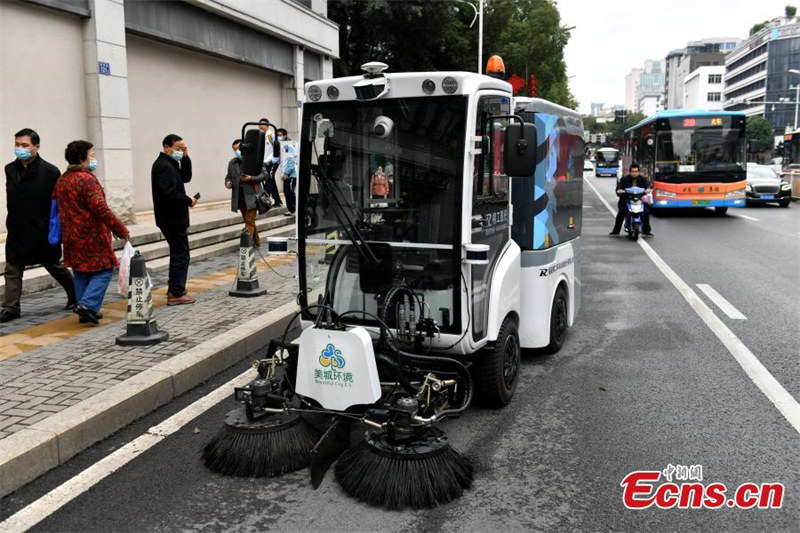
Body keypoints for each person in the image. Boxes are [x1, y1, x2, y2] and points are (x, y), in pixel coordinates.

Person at [1, 128, 76, 323]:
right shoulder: (10, 169)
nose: (20, 148)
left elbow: (58, 203)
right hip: (17, 228)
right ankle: (10, 308)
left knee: (54, 265)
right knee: (12, 268)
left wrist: (55, 227)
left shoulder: (50, 172)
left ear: (36, 147)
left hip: (41, 229)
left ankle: (75, 295)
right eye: (17, 144)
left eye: (24, 145)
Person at [54, 141, 130, 324]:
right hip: (91, 236)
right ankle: (88, 305)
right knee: (105, 269)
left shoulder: (62, 180)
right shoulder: (86, 179)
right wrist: (120, 229)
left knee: (81, 272)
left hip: (71, 236)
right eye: (92, 155)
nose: (94, 158)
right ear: (82, 158)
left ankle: (85, 310)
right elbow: (100, 208)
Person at [151, 134, 196, 305]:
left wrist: (185, 157)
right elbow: (169, 193)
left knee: (179, 253)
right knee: (181, 255)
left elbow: (186, 177)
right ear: (166, 147)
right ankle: (176, 293)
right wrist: (188, 200)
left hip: (173, 218)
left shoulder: (170, 163)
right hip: (171, 218)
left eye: (183, 148)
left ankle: (175, 287)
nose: (180, 151)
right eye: (178, 148)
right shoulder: (163, 166)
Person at [225, 139, 269, 245]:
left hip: (252, 196)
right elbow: (228, 177)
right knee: (248, 220)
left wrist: (251, 178)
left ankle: (246, 245)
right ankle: (257, 242)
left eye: (238, 149)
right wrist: (228, 183)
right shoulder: (232, 162)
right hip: (239, 197)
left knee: (249, 221)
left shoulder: (254, 160)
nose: (237, 152)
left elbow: (264, 175)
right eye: (234, 150)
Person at [609, 163, 653, 236]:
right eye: (633, 171)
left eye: (636, 171)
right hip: (626, 199)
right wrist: (619, 191)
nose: (634, 173)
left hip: (640, 199)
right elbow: (619, 187)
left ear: (638, 172)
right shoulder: (624, 179)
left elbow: (648, 185)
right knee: (621, 213)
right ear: (630, 172)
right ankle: (616, 231)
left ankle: (646, 231)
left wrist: (648, 189)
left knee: (646, 211)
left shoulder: (643, 179)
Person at [259, 118, 282, 207]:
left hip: (273, 161)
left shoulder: (271, 135)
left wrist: (276, 158)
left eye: (263, 124)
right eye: (259, 124)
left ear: (267, 126)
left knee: (268, 179)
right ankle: (278, 201)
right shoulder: (260, 136)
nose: (261, 126)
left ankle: (265, 201)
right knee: (271, 180)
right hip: (264, 161)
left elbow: (279, 147)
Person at [277, 128, 297, 216]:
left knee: (290, 192)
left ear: (285, 136)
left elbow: (292, 160)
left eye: (280, 135)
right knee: (286, 192)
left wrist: (286, 172)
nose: (278, 137)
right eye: (277, 135)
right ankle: (291, 209)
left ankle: (294, 209)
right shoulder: (283, 146)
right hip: (285, 174)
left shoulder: (289, 146)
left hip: (291, 174)